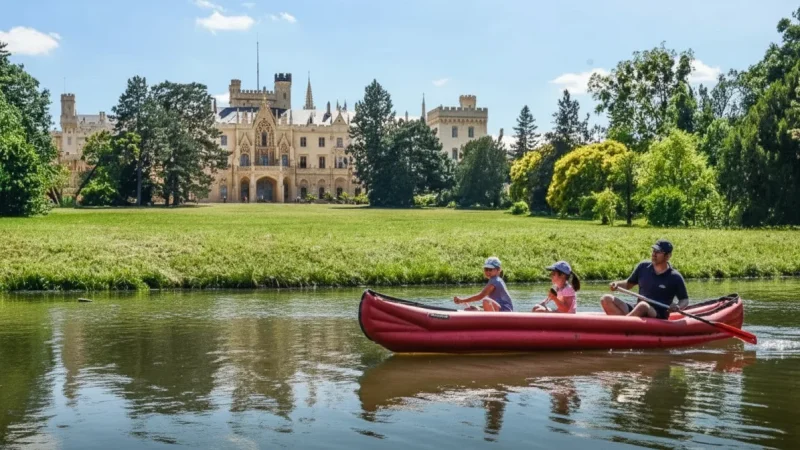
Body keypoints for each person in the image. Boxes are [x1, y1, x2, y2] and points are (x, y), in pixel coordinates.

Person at [601, 239, 689, 319]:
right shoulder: (643, 267)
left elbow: (684, 300)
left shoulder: (675, 277)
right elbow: (628, 284)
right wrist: (617, 284)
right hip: (638, 308)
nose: (654, 254)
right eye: (654, 250)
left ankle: (623, 325)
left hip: (657, 313)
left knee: (643, 305)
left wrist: (678, 306)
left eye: (658, 252)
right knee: (606, 299)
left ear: (668, 256)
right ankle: (625, 325)